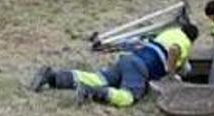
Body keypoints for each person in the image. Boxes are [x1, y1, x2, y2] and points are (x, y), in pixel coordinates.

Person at [30, 23, 199, 108]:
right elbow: (175, 51)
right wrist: (170, 70)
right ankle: (91, 92)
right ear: (192, 39)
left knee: (97, 78)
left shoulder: (170, 32)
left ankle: (52, 77)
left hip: (128, 59)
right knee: (128, 97)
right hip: (140, 68)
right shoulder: (185, 43)